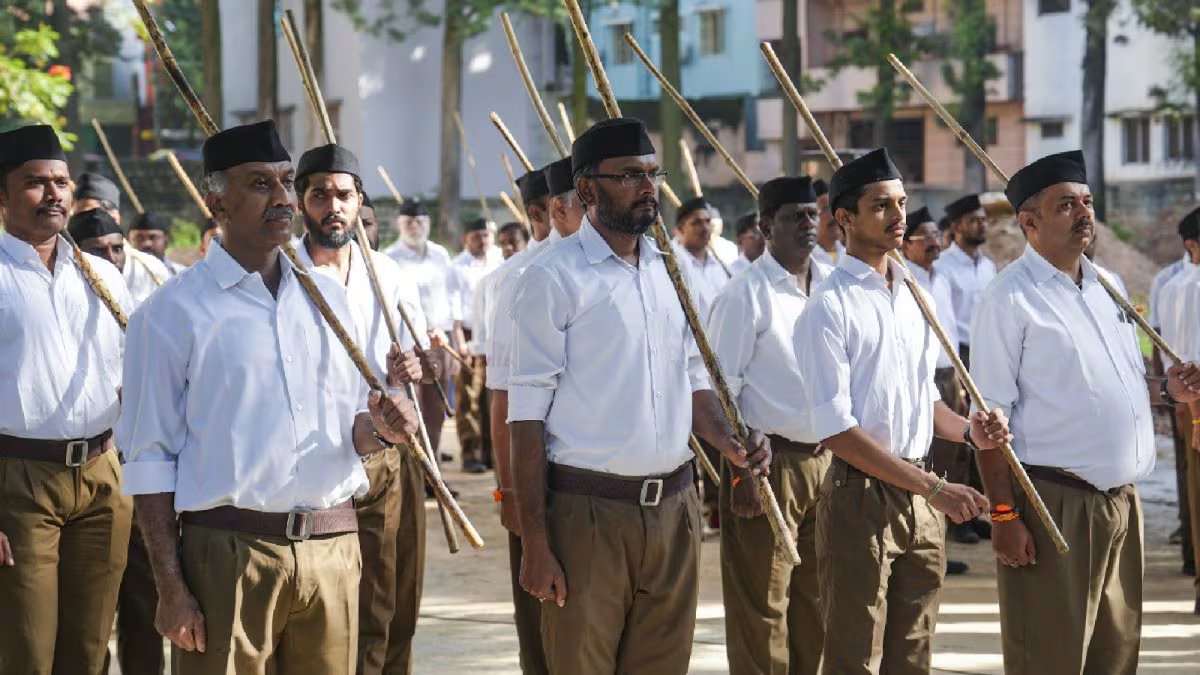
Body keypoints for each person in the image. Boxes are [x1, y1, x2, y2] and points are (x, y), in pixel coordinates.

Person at [117, 120, 421, 675]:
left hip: (332, 548)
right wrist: (171, 586)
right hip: (229, 557)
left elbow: (351, 428)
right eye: (260, 184)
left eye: (285, 181)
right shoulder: (169, 315)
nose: (282, 198)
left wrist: (383, 428)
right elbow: (148, 461)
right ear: (216, 202)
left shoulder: (329, 299)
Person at [509, 118, 772, 673]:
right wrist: (535, 539)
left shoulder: (669, 272)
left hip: (676, 509)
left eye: (653, 174)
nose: (648, 188)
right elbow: (525, 416)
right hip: (588, 516)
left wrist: (729, 441)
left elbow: (694, 377)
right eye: (630, 176)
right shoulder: (552, 278)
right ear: (586, 190)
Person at [969, 151, 1200, 672]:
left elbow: (1118, 382)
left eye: (1087, 202)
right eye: (1066, 204)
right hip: (1054, 505)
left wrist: (1170, 390)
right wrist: (1003, 515)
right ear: (1028, 224)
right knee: (1049, 657)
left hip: (1123, 504)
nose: (1084, 214)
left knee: (1115, 658)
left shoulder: (1108, 287)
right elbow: (988, 424)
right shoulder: (1009, 299)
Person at [792, 148, 1010, 674]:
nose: (898, 216)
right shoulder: (829, 306)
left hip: (920, 492)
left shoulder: (915, 293)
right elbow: (837, 431)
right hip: (860, 497)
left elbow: (925, 399)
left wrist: (971, 432)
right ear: (843, 218)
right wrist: (933, 487)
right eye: (881, 205)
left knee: (913, 651)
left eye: (902, 202)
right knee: (854, 655)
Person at [290, 143, 432, 674]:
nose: (334, 206)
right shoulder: (282, 272)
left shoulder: (386, 273)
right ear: (301, 202)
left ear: (359, 200)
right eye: (320, 194)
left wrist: (412, 368)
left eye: (344, 194)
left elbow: (420, 360)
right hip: (311, 462)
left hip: (381, 458)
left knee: (380, 600)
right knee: (321, 608)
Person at [0, 124, 135, 674]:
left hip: (104, 476)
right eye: (35, 182)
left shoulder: (100, 274)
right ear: (2, 195)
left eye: (61, 181)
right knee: (28, 652)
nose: (54, 193)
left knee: (88, 650)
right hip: (19, 482)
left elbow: (133, 379)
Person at [707, 175, 832, 675]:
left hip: (828, 459)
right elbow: (721, 393)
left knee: (818, 600)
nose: (806, 224)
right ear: (765, 226)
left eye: (811, 214)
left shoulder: (832, 285)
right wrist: (739, 472)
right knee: (763, 604)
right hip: (766, 465)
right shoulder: (745, 295)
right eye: (792, 216)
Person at [484, 163, 562, 675]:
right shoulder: (518, 279)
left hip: (597, 481)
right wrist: (508, 491)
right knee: (539, 617)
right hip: (537, 471)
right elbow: (503, 399)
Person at [902, 207, 973, 576]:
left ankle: (940, 539)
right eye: (924, 237)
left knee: (950, 459)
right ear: (905, 244)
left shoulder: (939, 279)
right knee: (927, 464)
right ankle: (926, 543)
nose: (934, 243)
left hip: (948, 375)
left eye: (935, 236)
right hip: (922, 380)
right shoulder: (904, 282)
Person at [384, 200, 457, 462]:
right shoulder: (389, 258)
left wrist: (450, 334)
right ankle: (416, 470)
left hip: (439, 342)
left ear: (427, 224)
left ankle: (434, 470)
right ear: (399, 225)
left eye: (420, 221)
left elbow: (448, 297)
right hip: (408, 344)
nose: (414, 226)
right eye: (409, 222)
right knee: (411, 408)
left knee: (436, 410)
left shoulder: (440, 255)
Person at [451, 217, 503, 473]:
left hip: (496, 335)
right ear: (466, 239)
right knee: (468, 399)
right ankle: (470, 453)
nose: (482, 241)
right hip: (469, 337)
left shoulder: (499, 260)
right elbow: (454, 311)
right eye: (476, 237)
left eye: (485, 236)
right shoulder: (457, 267)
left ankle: (491, 453)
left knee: (491, 398)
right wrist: (460, 343)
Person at [73, 172, 170, 306]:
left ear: (114, 217)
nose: (82, 222)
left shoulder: (151, 269)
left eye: (91, 213)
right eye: (77, 216)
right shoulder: (64, 268)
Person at [933, 193, 995, 367]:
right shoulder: (941, 266)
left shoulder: (988, 266)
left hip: (987, 350)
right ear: (956, 227)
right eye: (974, 221)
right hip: (958, 352)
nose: (981, 225)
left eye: (983, 220)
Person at [673, 196, 730, 317]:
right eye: (696, 223)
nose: (705, 228)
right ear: (680, 230)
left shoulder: (721, 266)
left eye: (708, 221)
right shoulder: (672, 266)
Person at [129, 211, 188, 276]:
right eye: (139, 238)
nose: (147, 244)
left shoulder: (182, 275)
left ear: (166, 240)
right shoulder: (120, 277)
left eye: (153, 237)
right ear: (128, 241)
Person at [810, 178, 844, 266]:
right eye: (826, 209)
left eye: (836, 206)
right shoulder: (805, 261)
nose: (834, 215)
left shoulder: (849, 257)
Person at [729, 211, 764, 276]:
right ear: (740, 240)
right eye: (757, 234)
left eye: (765, 233)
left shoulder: (777, 269)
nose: (763, 239)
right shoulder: (732, 272)